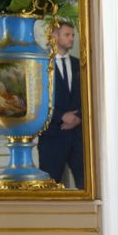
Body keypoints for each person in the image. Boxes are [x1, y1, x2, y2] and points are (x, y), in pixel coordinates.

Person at [38, 19, 84, 189]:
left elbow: (88, 96)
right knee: (50, 189)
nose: (71, 38)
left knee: (86, 185)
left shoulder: (79, 65)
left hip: (78, 139)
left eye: (72, 35)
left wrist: (78, 117)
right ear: (54, 36)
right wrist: (61, 116)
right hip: (52, 138)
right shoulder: (41, 65)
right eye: (67, 35)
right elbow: (37, 99)